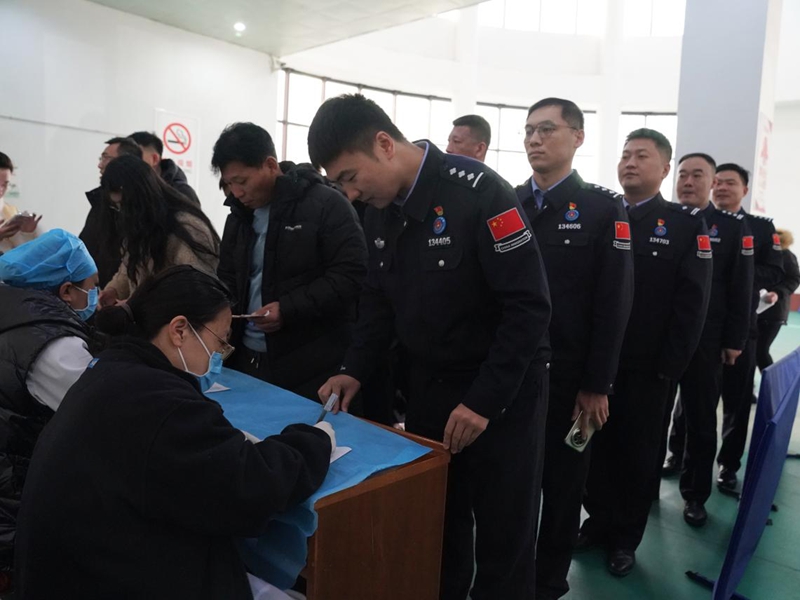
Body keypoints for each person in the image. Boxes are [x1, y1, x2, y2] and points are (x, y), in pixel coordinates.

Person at [308, 94, 552, 600]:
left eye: (351, 176)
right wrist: (354, 368)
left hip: (500, 394)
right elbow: (378, 301)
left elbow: (528, 308)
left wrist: (484, 401)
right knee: (437, 525)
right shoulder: (379, 210)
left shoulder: (481, 193)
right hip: (431, 390)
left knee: (504, 533)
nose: (350, 193)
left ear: (384, 144)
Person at [14, 265, 334, 598]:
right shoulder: (159, 403)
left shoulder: (112, 370)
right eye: (219, 342)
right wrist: (317, 440)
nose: (218, 356)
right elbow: (253, 485)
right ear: (179, 330)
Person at [514, 98, 634, 600]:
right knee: (512, 487)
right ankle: (510, 578)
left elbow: (614, 304)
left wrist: (596, 385)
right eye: (528, 131)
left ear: (578, 137)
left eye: (547, 129)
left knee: (563, 489)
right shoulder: (508, 204)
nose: (534, 139)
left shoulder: (604, 209)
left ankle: (548, 582)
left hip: (570, 381)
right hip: (513, 376)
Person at [580, 129, 711, 577]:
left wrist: (669, 369)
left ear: (664, 168)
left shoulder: (684, 224)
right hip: (596, 363)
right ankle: (597, 521)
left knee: (637, 455)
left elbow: (691, 305)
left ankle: (624, 538)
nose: (630, 163)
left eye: (641, 156)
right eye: (625, 155)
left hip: (647, 368)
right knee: (592, 448)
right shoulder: (601, 214)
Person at [212, 122, 367, 400]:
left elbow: (349, 275)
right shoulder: (238, 217)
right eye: (229, 184)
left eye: (242, 181)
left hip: (311, 364)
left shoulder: (326, 205)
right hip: (245, 358)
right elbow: (227, 277)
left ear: (270, 165)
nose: (236, 192)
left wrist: (288, 309)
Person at [0, 229, 100, 591]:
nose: (96, 296)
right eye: (92, 287)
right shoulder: (54, 348)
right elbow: (105, 418)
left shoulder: (12, 314)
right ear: (66, 291)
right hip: (17, 494)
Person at [659, 153, 753, 527]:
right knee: (653, 416)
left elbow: (741, 289)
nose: (688, 181)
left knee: (700, 421)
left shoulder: (730, 228)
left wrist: (734, 340)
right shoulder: (663, 219)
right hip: (661, 339)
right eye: (682, 174)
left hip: (706, 341)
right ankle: (644, 484)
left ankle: (695, 495)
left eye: (697, 175)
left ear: (712, 182)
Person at [712, 162, 783, 490]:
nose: (722, 188)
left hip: (742, 326)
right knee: (690, 402)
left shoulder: (760, 228)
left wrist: (739, 272)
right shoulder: (699, 221)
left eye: (730, 183)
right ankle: (677, 454)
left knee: (737, 401)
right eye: (717, 182)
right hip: (701, 327)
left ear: (744, 189)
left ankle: (728, 465)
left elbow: (775, 271)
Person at [97, 155, 220, 306]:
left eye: (124, 205)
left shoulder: (187, 228)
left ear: (139, 197)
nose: (122, 212)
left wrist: (135, 304)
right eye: (116, 207)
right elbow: (130, 268)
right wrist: (113, 291)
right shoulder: (141, 226)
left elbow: (193, 288)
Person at [79, 137, 143, 286]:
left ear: (125, 163)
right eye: (101, 158)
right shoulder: (101, 202)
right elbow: (86, 247)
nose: (100, 165)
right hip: (98, 290)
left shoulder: (141, 211)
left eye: (106, 158)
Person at [757, 229, 800, 369]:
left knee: (760, 351)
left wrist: (777, 293)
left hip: (774, 311)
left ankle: (771, 382)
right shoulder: (761, 253)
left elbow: (794, 279)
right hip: (755, 307)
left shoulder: (787, 256)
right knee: (752, 351)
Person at [128, 130, 201, 204]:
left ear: (154, 159)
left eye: (135, 155)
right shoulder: (128, 189)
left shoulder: (181, 194)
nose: (128, 162)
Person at [0, 151, 42, 254]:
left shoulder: (9, 212)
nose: (1, 189)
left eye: (5, 184)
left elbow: (23, 255)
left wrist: (27, 233)